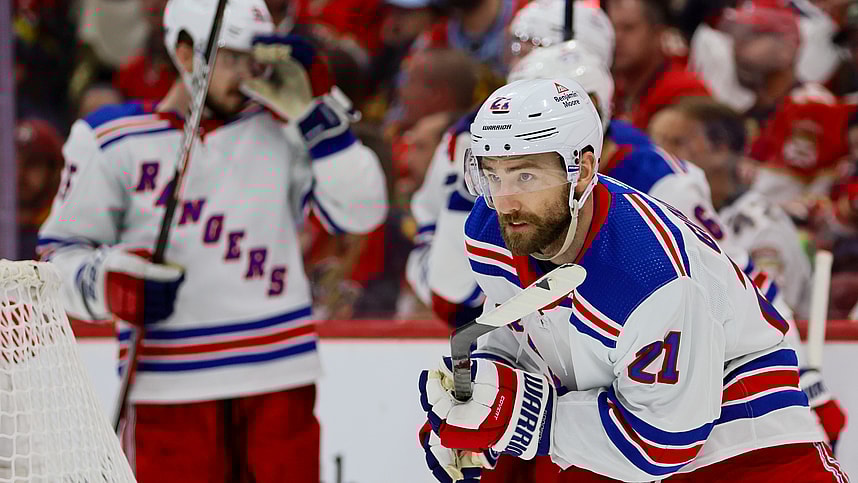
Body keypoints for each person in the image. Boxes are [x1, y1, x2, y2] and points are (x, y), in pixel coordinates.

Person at [417, 77, 848, 482]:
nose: (505, 200)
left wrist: (520, 417)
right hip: (621, 438)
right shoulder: (491, 229)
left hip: (748, 449)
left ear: (583, 171)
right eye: (493, 174)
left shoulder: (648, 273)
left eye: (526, 175)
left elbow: (662, 444)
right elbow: (518, 327)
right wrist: (478, 403)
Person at [37, 0, 388, 481]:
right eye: (230, 56)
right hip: (168, 387)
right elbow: (56, 257)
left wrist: (316, 114)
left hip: (279, 377)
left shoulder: (284, 130)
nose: (245, 73)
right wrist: (107, 281)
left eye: (254, 57)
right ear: (184, 52)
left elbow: (363, 211)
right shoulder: (110, 139)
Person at [649, 98, 848, 450]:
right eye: (657, 142)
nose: (661, 155)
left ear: (721, 151)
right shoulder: (680, 208)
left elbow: (766, 317)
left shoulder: (760, 224)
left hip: (772, 385)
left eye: (677, 143)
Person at [607, 0, 710, 130]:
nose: (616, 38)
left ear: (657, 33)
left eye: (628, 28)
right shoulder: (612, 90)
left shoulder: (685, 93)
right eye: (611, 28)